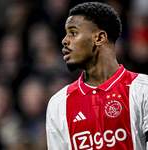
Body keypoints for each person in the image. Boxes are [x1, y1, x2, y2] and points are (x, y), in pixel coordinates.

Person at [46, 2, 148, 150]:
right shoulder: (58, 104)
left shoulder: (142, 90)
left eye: (73, 33)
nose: (65, 40)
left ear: (99, 38)